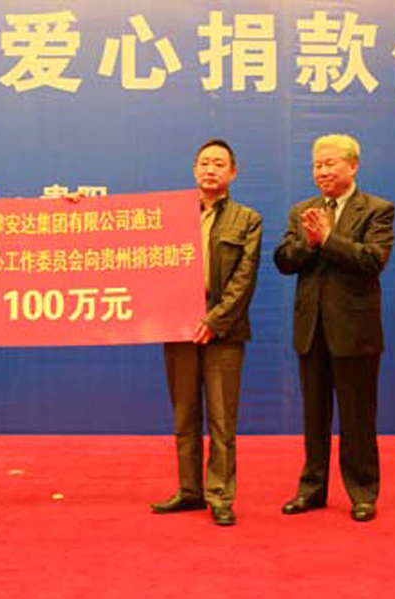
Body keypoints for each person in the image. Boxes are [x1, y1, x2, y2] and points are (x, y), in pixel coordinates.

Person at [274, 134, 394, 523]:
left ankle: (363, 492)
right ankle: (312, 489)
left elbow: (372, 260)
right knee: (314, 415)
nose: (322, 171)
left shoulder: (377, 210)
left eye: (329, 164)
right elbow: (283, 260)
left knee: (358, 415)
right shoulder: (302, 210)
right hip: (312, 329)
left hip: (355, 330)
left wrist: (328, 240)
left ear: (353, 166)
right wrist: (309, 244)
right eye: (317, 165)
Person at [150, 139, 262, 527]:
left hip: (223, 334)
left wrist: (214, 321)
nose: (210, 169)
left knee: (222, 421)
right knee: (184, 417)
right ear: (194, 170)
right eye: (204, 163)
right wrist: (78, 208)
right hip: (179, 329)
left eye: (218, 164)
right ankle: (190, 490)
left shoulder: (247, 219)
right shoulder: (171, 215)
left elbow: (244, 280)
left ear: (233, 172)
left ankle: (220, 496)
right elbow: (129, 245)